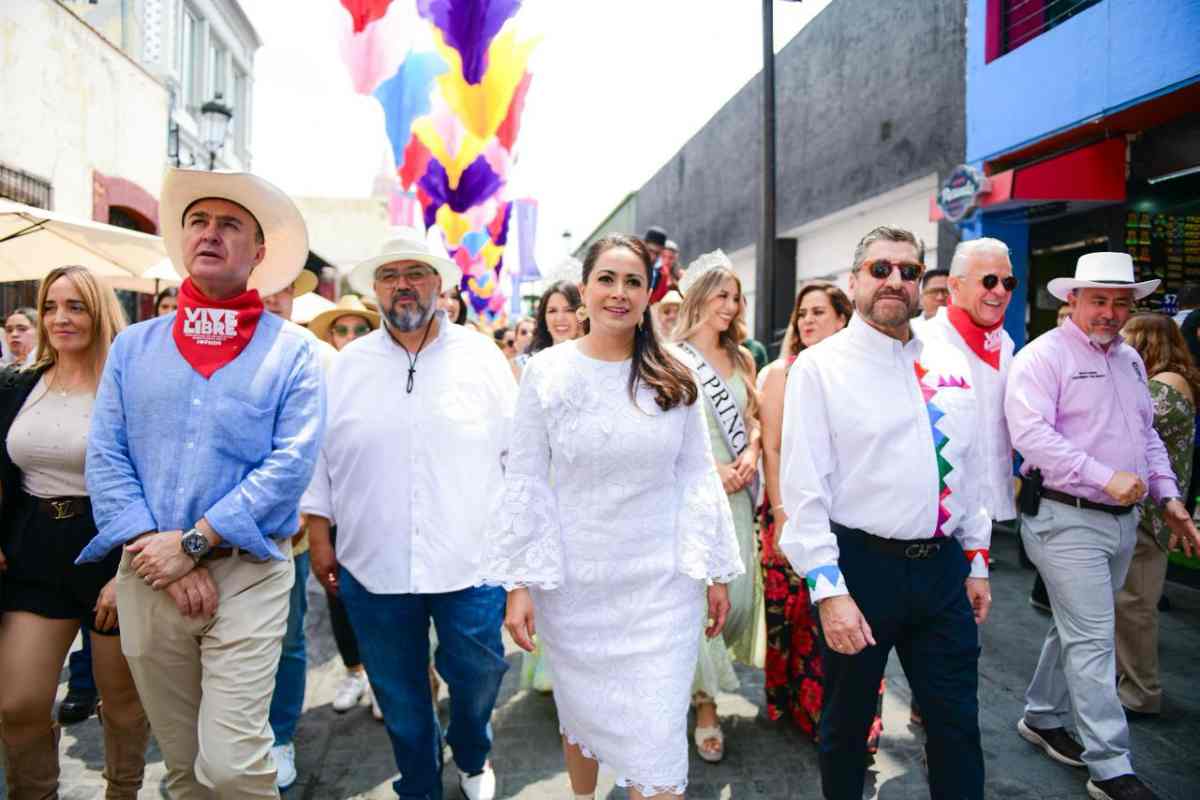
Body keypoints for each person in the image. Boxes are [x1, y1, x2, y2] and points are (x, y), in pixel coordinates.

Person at [79, 167, 324, 798]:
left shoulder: (291, 352)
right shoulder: (133, 347)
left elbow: (288, 466)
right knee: (186, 770)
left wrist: (192, 542)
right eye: (198, 221)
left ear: (259, 251)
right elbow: (107, 457)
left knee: (235, 768)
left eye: (229, 224)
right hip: (148, 571)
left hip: (248, 571)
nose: (210, 234)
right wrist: (159, 550)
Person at [482, 233, 743, 800]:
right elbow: (526, 479)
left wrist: (717, 571)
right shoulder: (545, 373)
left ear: (650, 294)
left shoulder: (676, 372)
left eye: (633, 282)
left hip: (663, 589)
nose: (619, 293)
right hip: (578, 589)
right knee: (583, 717)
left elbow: (697, 476)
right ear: (584, 290)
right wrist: (520, 583)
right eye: (607, 279)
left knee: (656, 748)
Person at [780, 225, 991, 799]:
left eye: (909, 270)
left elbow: (971, 470)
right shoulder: (820, 368)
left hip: (943, 571)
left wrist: (976, 562)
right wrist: (829, 590)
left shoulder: (951, 361)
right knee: (847, 728)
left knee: (956, 726)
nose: (895, 280)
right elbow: (803, 492)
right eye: (881, 269)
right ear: (854, 281)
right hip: (861, 570)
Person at [304, 233, 516, 800]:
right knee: (399, 695)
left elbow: (517, 457)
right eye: (390, 275)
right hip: (373, 564)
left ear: (438, 284)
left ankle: (472, 752)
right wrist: (320, 538)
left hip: (470, 561)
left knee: (479, 675)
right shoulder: (347, 366)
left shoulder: (482, 358)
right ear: (375, 289)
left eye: (415, 273)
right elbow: (319, 457)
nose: (403, 285)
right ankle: (419, 783)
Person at [1006, 252, 1200, 800]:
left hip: (1122, 522)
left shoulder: (1130, 361)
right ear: (1072, 300)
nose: (1110, 312)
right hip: (1065, 518)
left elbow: (1147, 436)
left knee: (1074, 626)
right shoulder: (1043, 357)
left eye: (1121, 302)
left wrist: (1167, 495)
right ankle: (1111, 765)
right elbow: (1032, 436)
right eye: (1099, 300)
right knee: (1094, 638)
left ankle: (1043, 715)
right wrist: (1102, 476)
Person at [0, 265, 149, 799]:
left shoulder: (129, 388)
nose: (60, 318)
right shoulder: (17, 384)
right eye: (50, 306)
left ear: (99, 312)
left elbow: (155, 482)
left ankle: (122, 792)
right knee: (17, 703)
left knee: (124, 706)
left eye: (76, 306)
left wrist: (129, 569)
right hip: (34, 549)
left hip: (113, 549)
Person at [756, 281, 862, 741]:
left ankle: (849, 722)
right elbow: (773, 448)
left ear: (843, 317)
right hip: (792, 512)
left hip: (853, 518)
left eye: (819, 312)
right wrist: (782, 514)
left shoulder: (864, 370)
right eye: (803, 313)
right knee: (796, 619)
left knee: (849, 621)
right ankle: (800, 710)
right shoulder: (784, 372)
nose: (807, 321)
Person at [671, 250, 763, 764]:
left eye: (734, 297)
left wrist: (749, 453)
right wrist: (713, 473)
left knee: (739, 601)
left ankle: (691, 681)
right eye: (720, 295)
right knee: (700, 606)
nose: (728, 306)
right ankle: (704, 708)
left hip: (738, 498)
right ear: (698, 296)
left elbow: (752, 419)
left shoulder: (745, 356)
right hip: (694, 500)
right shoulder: (669, 356)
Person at [258, 265, 335, 789]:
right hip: (221, 529)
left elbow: (329, 442)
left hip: (292, 527)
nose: (274, 298)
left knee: (287, 633)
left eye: (283, 288)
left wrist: (317, 516)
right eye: (263, 290)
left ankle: (280, 734)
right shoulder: (228, 349)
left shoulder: (320, 355)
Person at [1115, 313, 1200, 718]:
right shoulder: (1168, 379)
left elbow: (1128, 421)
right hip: (1148, 511)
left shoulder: (1166, 385)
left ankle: (1141, 692)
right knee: (1129, 605)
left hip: (1151, 516)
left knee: (1135, 608)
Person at [304, 294, 381, 717]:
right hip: (335, 510)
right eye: (342, 329)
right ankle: (354, 671)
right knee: (339, 597)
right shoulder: (321, 382)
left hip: (381, 511)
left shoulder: (389, 374)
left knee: (385, 600)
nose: (350, 337)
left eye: (360, 329)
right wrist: (317, 527)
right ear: (331, 336)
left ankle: (387, 678)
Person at [512, 280, 583, 383]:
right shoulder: (527, 365)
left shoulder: (597, 361)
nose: (560, 318)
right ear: (544, 318)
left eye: (569, 310)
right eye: (552, 311)